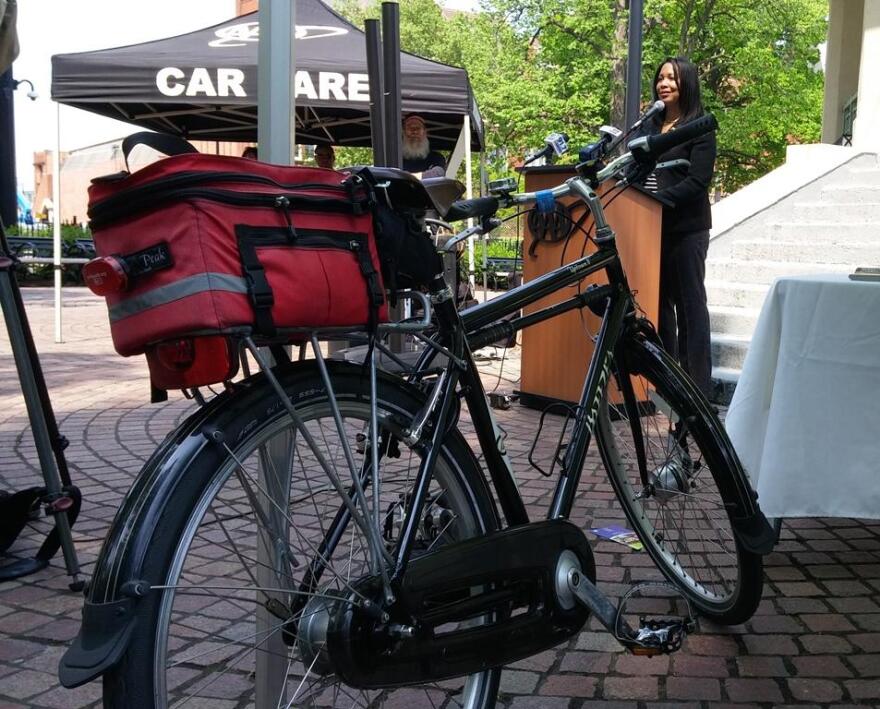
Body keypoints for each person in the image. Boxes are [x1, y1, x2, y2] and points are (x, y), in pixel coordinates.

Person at [640, 56, 717, 397]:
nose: (664, 83)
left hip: (687, 229)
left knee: (690, 307)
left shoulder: (699, 125)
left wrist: (658, 203)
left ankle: (697, 390)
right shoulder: (649, 126)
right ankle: (669, 383)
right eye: (660, 78)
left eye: (671, 77)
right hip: (651, 228)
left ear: (687, 82)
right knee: (658, 308)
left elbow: (698, 181)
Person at [401, 113, 446, 178]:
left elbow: (438, 173)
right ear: (404, 132)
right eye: (409, 127)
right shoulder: (395, 158)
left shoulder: (436, 157)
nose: (414, 131)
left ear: (425, 132)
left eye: (418, 128)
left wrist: (405, 177)